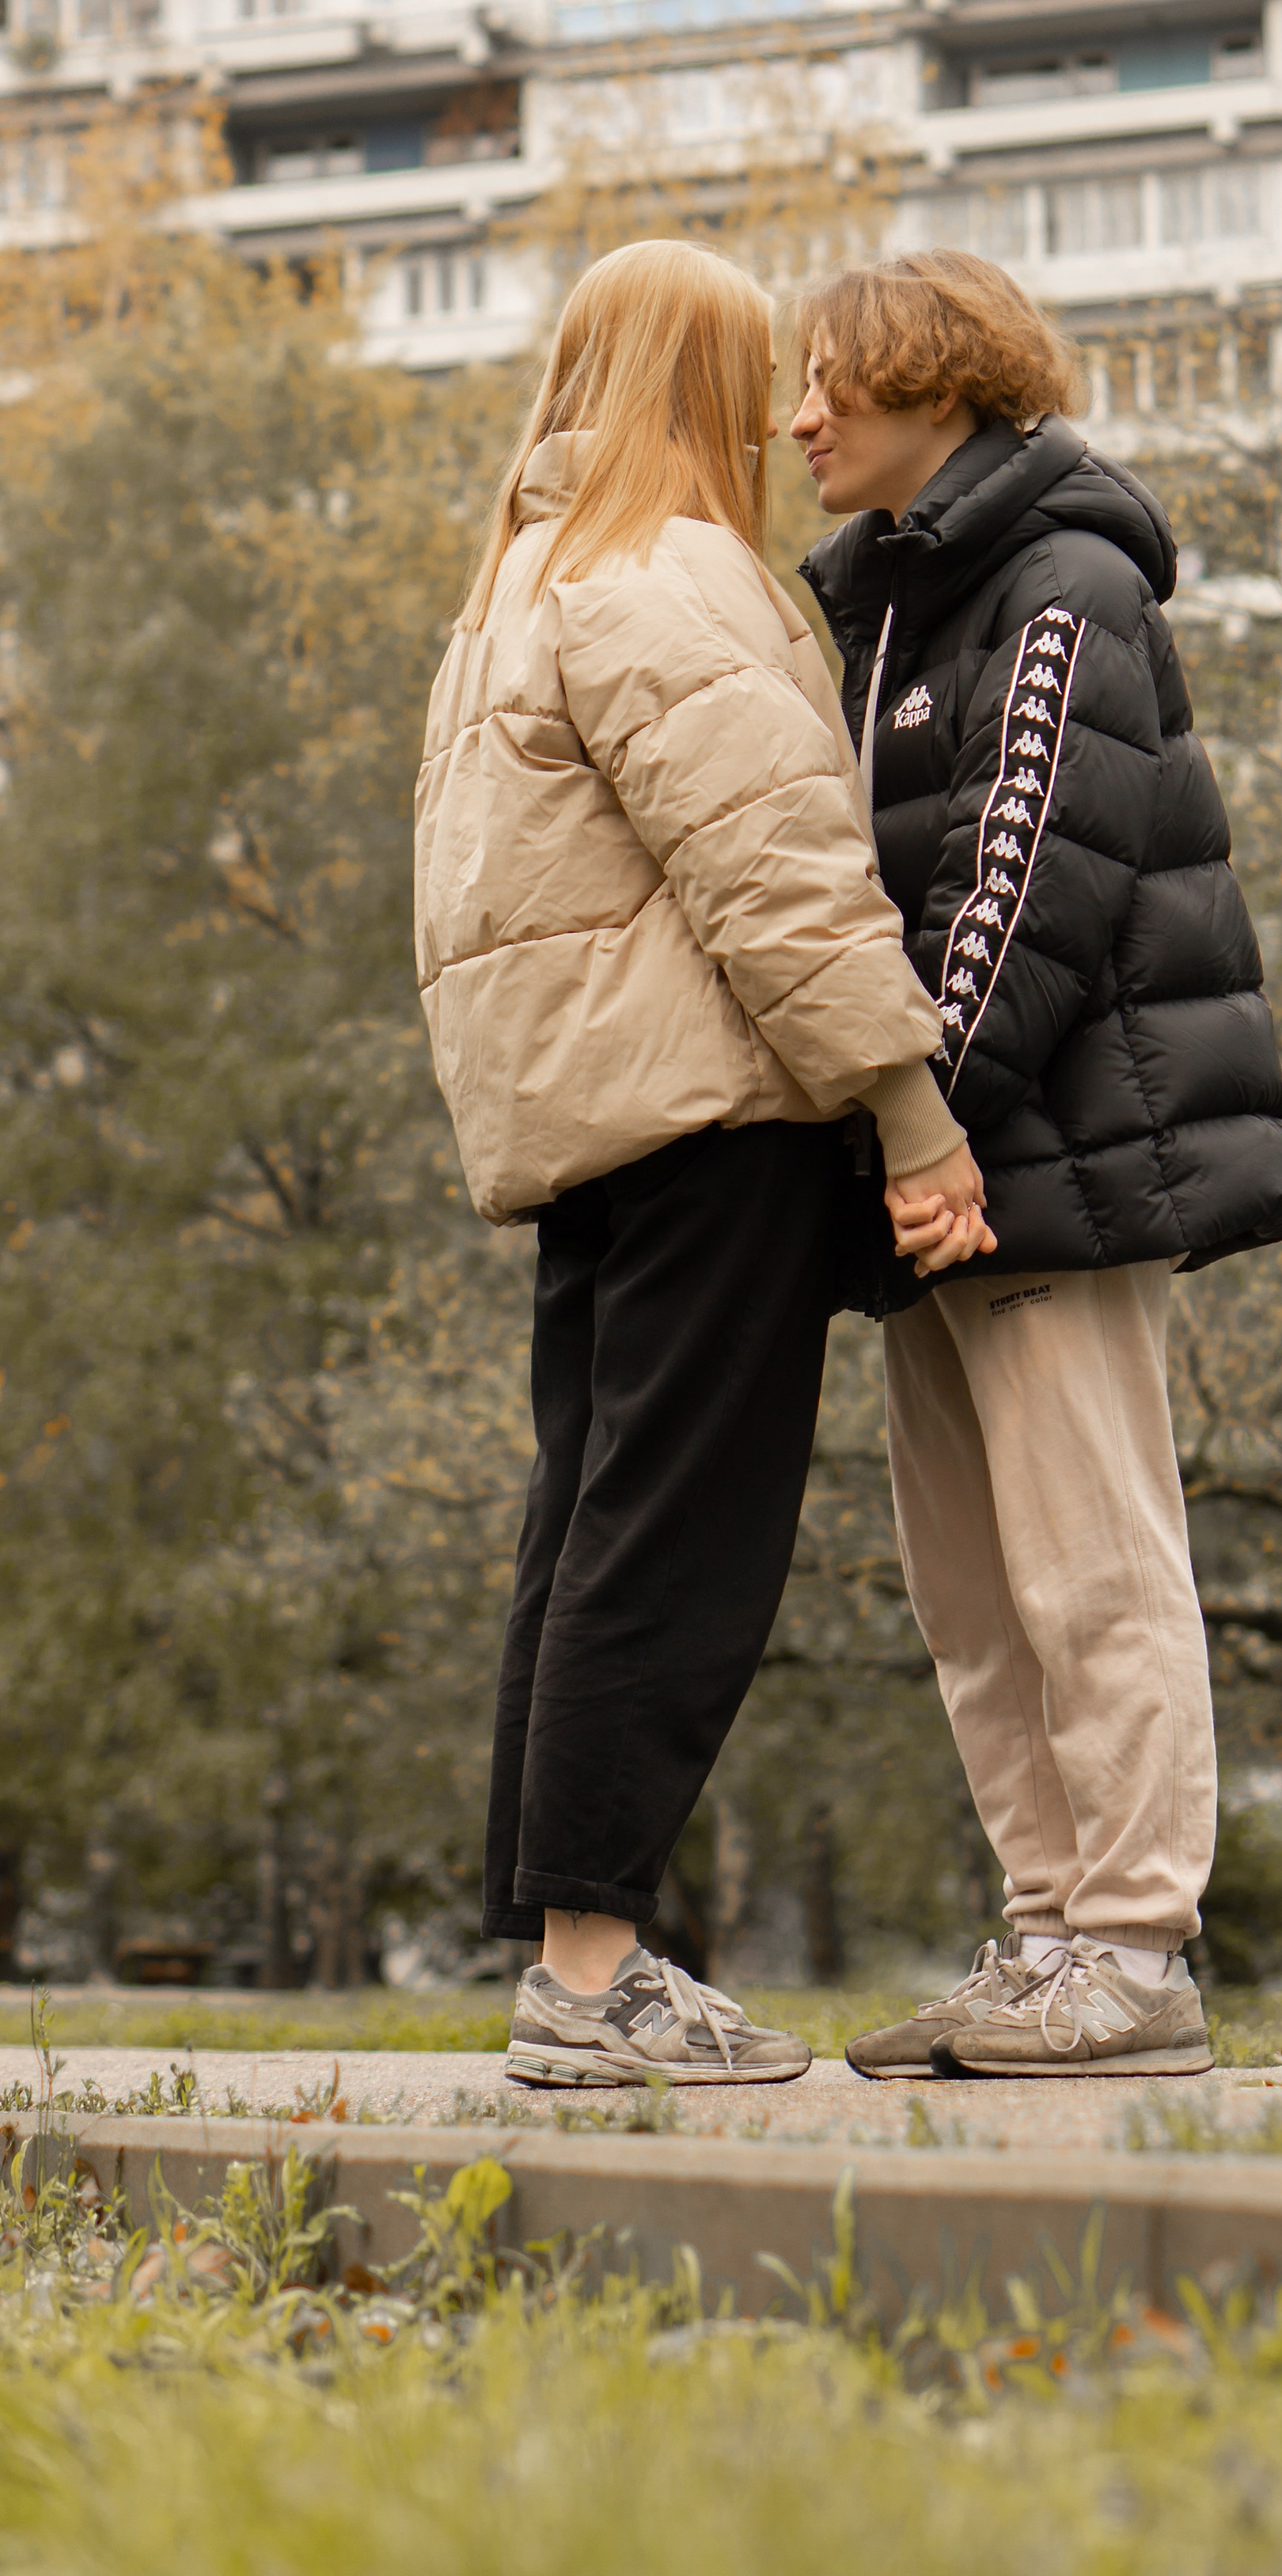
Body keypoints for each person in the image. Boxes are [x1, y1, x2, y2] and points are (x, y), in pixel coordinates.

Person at [414, 237, 992, 2088]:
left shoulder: (512, 586)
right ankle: (594, 1978)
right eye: (757, 374)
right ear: (700, 384)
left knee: (586, 1523)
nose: (777, 412)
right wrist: (907, 1103)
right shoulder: (668, 577)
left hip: (582, 1134)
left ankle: (579, 1961)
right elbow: (778, 874)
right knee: (675, 1541)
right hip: (712, 1122)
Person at [792, 250, 1282, 2079]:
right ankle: (1040, 1938)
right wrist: (889, 1152)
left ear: (936, 383)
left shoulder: (1061, 583)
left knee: (1090, 1560)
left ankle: (1135, 1947)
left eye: (829, 383)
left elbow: (1028, 881)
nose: (798, 419)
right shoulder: (892, 609)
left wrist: (922, 1127)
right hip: (936, 1171)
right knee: (970, 1585)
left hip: (1043, 1161)